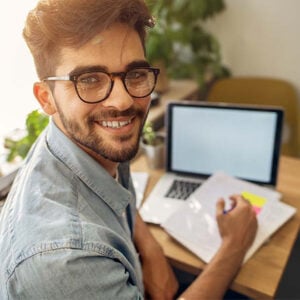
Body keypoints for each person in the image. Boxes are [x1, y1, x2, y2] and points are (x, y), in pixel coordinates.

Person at [0, 0, 258, 299]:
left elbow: (116, 199)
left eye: (135, 74)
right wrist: (234, 246)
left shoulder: (91, 144)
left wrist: (151, 249)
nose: (123, 102)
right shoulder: (63, 261)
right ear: (46, 98)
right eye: (90, 80)